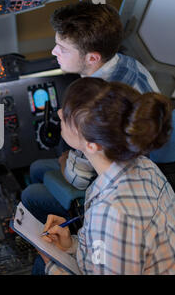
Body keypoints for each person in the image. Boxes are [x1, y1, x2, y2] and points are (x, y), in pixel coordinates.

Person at [22, 1, 161, 225]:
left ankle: (71, 235)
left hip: (118, 182)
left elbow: (78, 180)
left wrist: (65, 160)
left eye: (63, 48)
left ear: (92, 58)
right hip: (147, 164)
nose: (53, 51)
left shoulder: (95, 104)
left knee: (32, 194)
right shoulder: (130, 64)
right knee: (39, 169)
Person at [39, 77, 175, 275]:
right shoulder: (144, 166)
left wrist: (49, 262)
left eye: (67, 116)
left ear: (92, 145)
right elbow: (112, 254)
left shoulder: (111, 212)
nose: (60, 113)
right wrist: (71, 246)